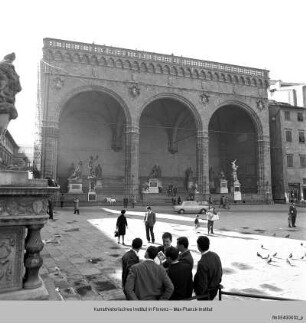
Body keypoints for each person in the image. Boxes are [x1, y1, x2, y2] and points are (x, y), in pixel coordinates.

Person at [194, 236, 222, 300]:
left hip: (206, 294)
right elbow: (220, 272)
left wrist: (198, 293)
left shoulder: (202, 263)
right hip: (215, 289)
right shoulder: (215, 255)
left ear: (198, 247)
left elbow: (202, 283)